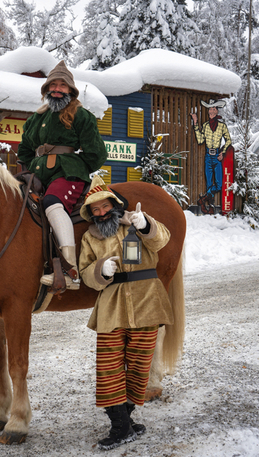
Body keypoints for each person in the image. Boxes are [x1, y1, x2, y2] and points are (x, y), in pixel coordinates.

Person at [78, 175, 174, 451]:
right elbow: (86, 274)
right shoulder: (89, 238)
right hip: (112, 306)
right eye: (95, 210)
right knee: (109, 368)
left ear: (114, 204)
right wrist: (99, 271)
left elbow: (162, 241)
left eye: (104, 206)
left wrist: (147, 226)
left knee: (140, 364)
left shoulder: (135, 222)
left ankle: (126, 422)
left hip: (147, 301)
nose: (101, 212)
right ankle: (120, 426)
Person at [17, 61, 108, 290]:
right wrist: (31, 171)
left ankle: (70, 271)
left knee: (52, 202)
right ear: (47, 89)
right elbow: (25, 150)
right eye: (53, 85)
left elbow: (97, 154)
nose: (57, 89)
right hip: (38, 176)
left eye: (62, 85)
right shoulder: (35, 119)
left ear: (71, 90)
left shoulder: (81, 116)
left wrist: (75, 167)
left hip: (68, 175)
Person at [190, 99, 233, 209]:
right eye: (210, 109)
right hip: (208, 156)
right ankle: (209, 204)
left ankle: (204, 198)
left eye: (214, 109)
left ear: (217, 111)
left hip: (217, 156)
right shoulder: (205, 126)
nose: (211, 111)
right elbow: (200, 140)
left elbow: (228, 140)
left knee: (219, 185)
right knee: (209, 183)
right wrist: (195, 123)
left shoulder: (222, 126)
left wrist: (223, 153)